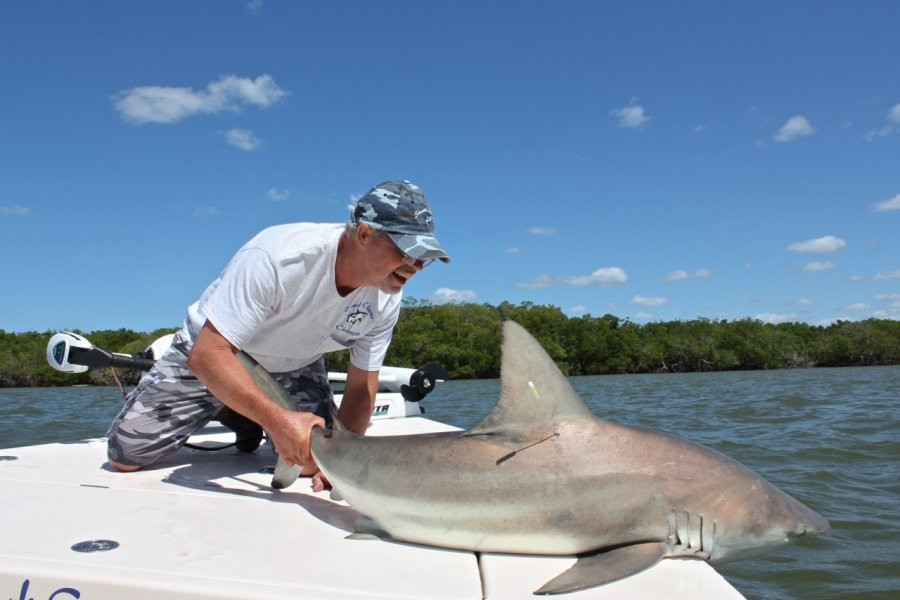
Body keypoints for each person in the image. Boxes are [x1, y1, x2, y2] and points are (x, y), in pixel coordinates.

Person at [106, 180, 450, 491]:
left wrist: (343, 461)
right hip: (219, 351)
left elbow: (362, 387)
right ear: (364, 235)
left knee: (312, 463)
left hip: (296, 362)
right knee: (127, 455)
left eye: (425, 257)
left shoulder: (386, 295)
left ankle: (242, 409)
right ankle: (229, 406)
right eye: (407, 251)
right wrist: (277, 420)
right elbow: (208, 353)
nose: (417, 266)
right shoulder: (278, 257)